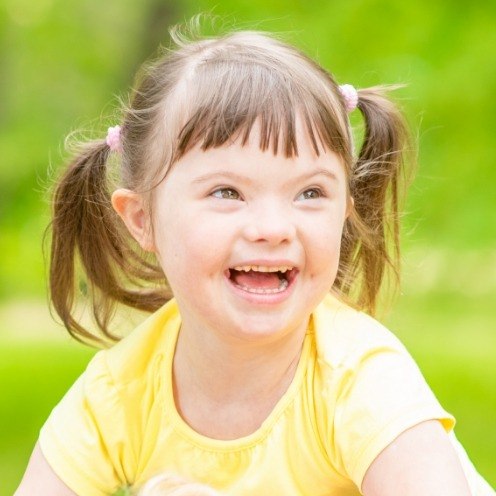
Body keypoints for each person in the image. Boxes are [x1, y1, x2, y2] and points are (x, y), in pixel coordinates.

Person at [15, 17, 494, 496]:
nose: (272, 229)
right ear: (142, 219)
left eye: (309, 193)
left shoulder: (360, 380)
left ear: (344, 213)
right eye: (227, 192)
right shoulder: (118, 396)